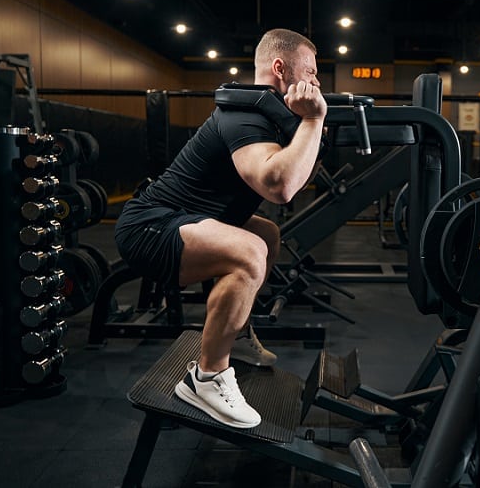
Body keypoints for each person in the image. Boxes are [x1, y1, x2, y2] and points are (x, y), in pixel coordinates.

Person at [114, 28, 326, 428]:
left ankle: (237, 334)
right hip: (149, 226)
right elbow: (278, 186)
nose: (316, 81)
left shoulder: (272, 115)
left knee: (266, 235)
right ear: (280, 68)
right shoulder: (244, 114)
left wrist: (310, 128)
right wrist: (314, 120)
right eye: (310, 70)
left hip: (182, 219)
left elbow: (295, 177)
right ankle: (206, 378)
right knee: (249, 253)